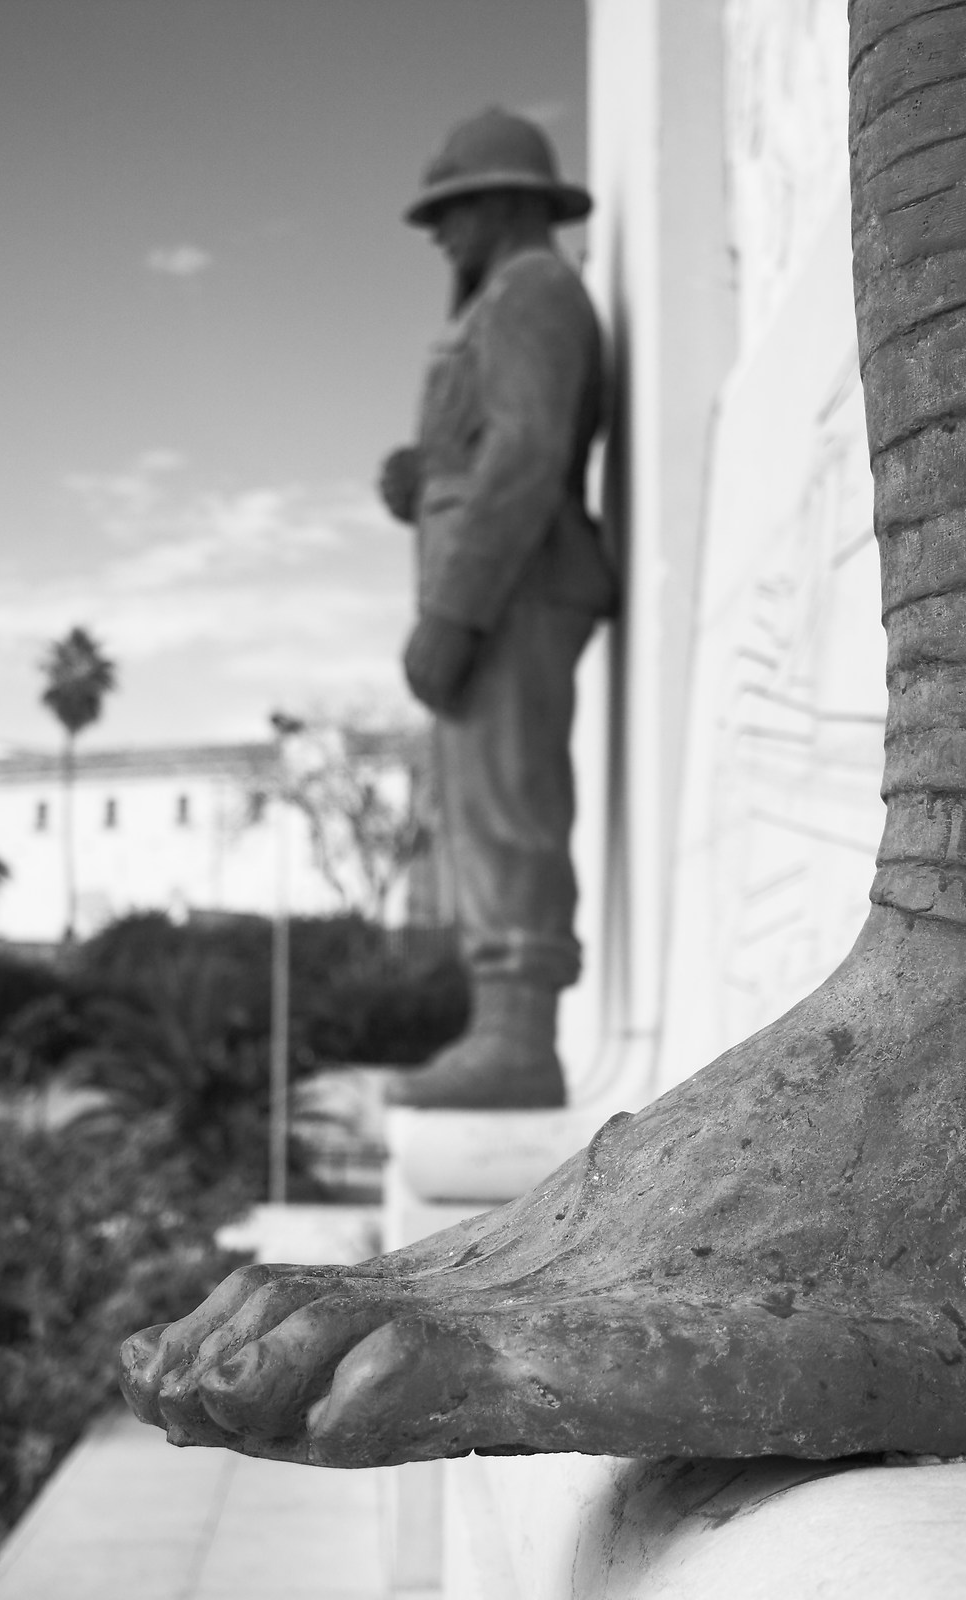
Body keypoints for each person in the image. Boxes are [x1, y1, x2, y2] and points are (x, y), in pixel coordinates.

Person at [378, 108, 615, 1110]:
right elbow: (489, 448)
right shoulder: (500, 302)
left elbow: (526, 453)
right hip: (501, 588)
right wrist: (424, 473)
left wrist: (455, 611)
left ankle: (520, 1040)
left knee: (511, 806)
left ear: (507, 202)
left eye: (453, 209)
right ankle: (499, 1025)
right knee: (481, 812)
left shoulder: (532, 292)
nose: (439, 232)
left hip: (515, 589)